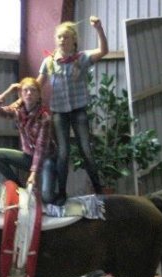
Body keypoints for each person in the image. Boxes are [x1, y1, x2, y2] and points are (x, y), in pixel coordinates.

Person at [37, 16, 108, 205]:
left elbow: (103, 51)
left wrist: (99, 29)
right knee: (63, 153)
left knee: (86, 150)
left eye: (66, 37)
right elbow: (36, 85)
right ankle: (62, 192)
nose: (62, 40)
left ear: (73, 39)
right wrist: (21, 97)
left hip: (78, 110)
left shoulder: (82, 58)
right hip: (59, 112)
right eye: (59, 37)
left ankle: (99, 190)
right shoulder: (49, 62)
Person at [0, 77, 56, 204]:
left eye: (33, 90)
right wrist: (8, 92)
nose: (29, 93)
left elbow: (40, 148)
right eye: (25, 90)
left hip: (46, 159)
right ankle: (20, 189)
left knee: (47, 197)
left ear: (38, 95)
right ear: (20, 94)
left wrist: (33, 174)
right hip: (29, 156)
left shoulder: (44, 117)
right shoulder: (17, 111)